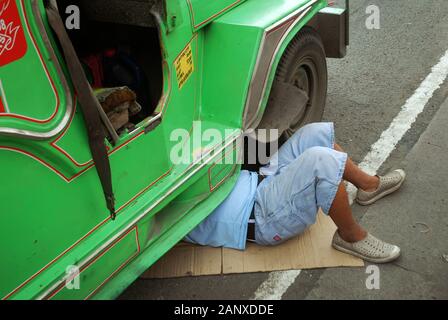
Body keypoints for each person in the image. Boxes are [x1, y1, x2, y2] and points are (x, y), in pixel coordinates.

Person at [186, 123, 406, 263]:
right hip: (261, 216)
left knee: (314, 133)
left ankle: (369, 186)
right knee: (322, 162)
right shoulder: (162, 202)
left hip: (260, 181)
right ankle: (349, 236)